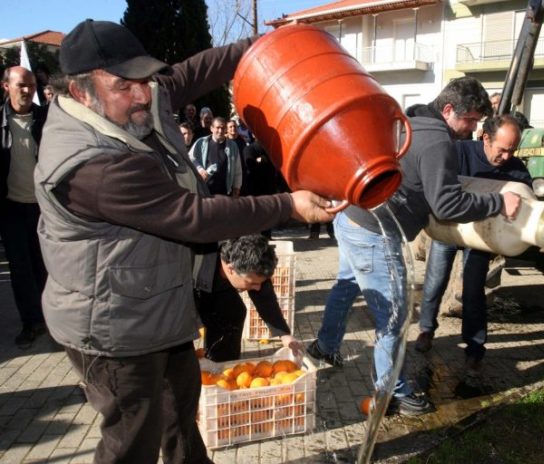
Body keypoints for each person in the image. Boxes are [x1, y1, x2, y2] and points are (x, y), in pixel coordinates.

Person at [34, 19, 333, 464]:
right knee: (132, 438)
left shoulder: (128, 99)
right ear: (80, 91)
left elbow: (192, 72)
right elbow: (192, 217)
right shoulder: (91, 165)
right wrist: (287, 205)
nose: (143, 94)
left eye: (144, 80)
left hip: (154, 305)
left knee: (180, 413)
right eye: (124, 85)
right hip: (113, 327)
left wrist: (259, 45)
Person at [306, 77, 522, 416]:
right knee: (393, 318)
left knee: (347, 285)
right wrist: (497, 202)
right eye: (470, 120)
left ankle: (326, 346)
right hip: (375, 232)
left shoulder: (409, 121)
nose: (472, 128)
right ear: (449, 110)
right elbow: (447, 206)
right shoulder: (438, 142)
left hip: (350, 216)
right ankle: (396, 392)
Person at [415, 115, 531, 376]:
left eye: (512, 150)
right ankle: (426, 330)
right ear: (485, 138)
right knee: (434, 281)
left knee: (473, 291)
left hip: (482, 237)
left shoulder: (517, 170)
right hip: (449, 227)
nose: (506, 156)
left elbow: (526, 202)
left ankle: (475, 349)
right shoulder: (457, 152)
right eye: (502, 149)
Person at [1, 66, 48, 349]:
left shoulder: (47, 119)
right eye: (21, 85)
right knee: (21, 270)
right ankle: (30, 323)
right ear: (6, 86)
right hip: (10, 209)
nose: (28, 90)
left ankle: (52, 320)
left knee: (47, 267)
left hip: (45, 208)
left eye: (31, 85)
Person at [195, 236, 301, 361]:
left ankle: (223, 366)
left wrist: (284, 335)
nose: (257, 288)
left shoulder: (250, 259)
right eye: (251, 283)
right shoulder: (194, 266)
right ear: (231, 269)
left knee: (233, 311)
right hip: (186, 291)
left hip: (218, 287)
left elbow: (265, 298)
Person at [189, 116, 242, 196]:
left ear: (226, 129)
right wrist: (199, 169)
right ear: (211, 128)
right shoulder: (201, 142)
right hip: (204, 190)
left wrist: (237, 187)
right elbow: (190, 158)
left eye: (223, 128)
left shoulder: (233, 146)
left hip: (224, 192)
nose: (220, 131)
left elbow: (237, 169)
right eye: (217, 128)